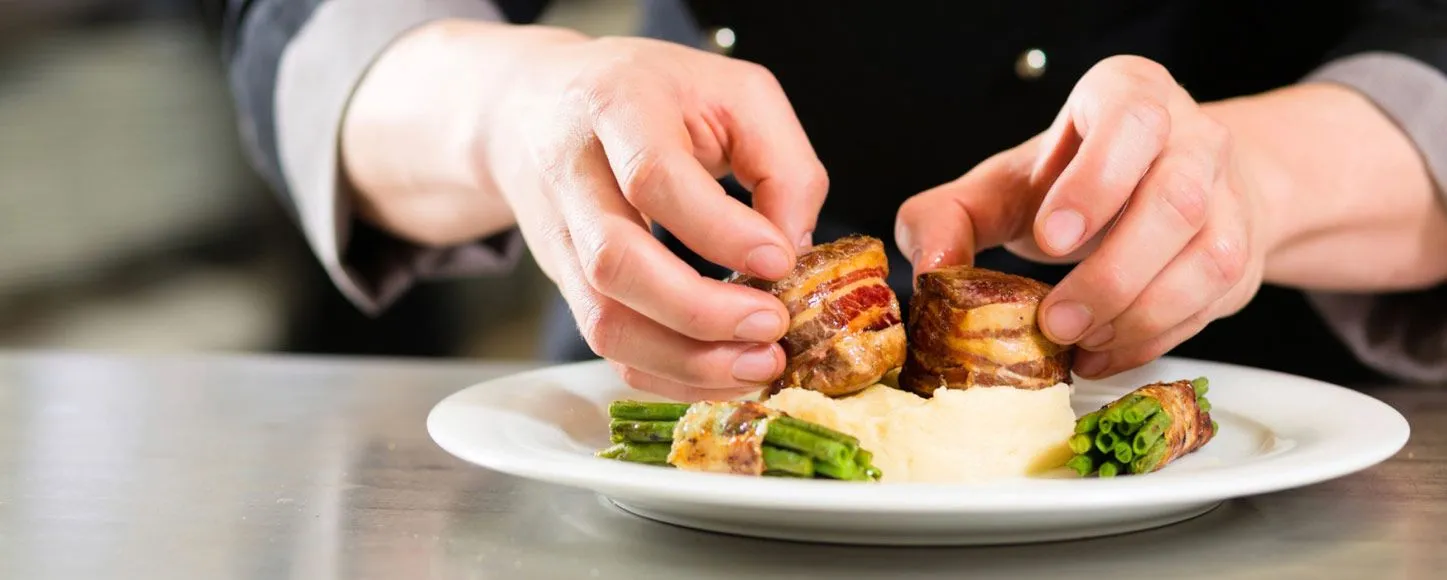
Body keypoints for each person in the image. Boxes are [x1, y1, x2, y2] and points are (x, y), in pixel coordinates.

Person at [220, 0, 1447, 400]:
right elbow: (323, 30)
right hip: (683, 371)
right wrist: (522, 113)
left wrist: (1247, 181)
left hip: (1258, 427)